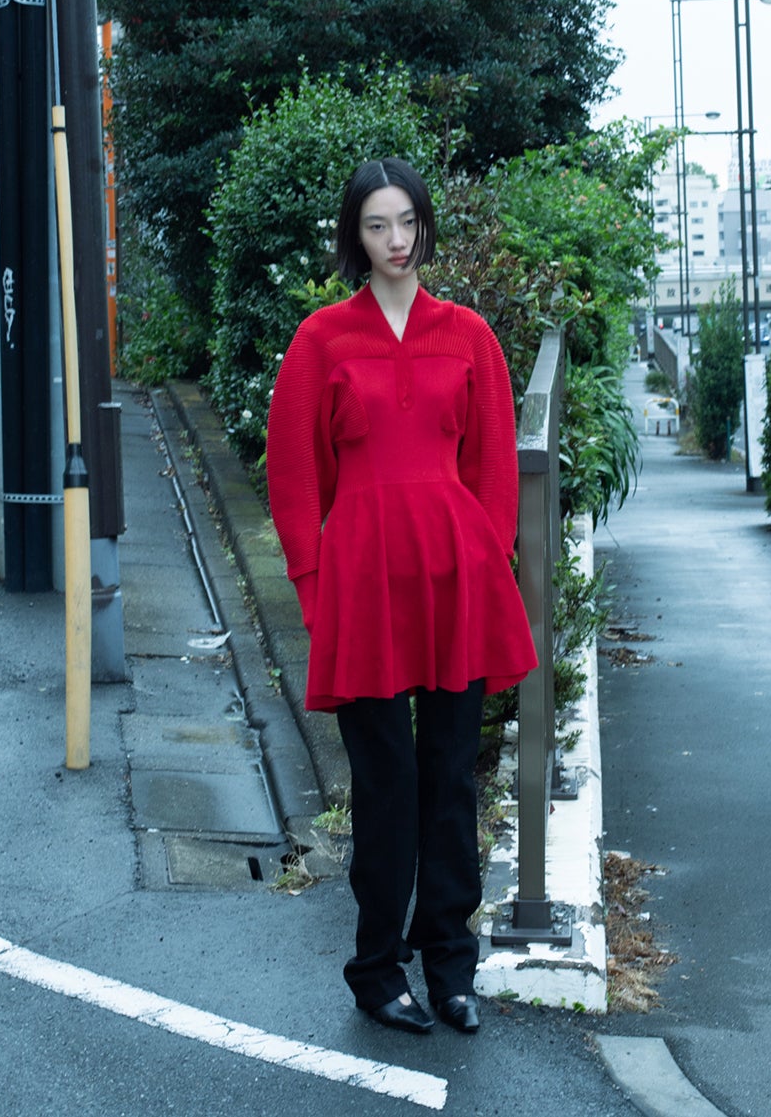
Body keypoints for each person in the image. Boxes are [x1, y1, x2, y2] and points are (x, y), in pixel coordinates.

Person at [266, 158, 538, 1037]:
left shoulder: (467, 335)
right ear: (356, 235)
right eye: (377, 225)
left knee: (451, 779)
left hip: (455, 585)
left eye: (407, 222)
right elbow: (295, 475)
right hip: (363, 589)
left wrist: (484, 563)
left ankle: (451, 964)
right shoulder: (321, 341)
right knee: (384, 786)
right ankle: (377, 969)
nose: (394, 239)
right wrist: (314, 587)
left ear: (425, 228)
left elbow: (495, 467)